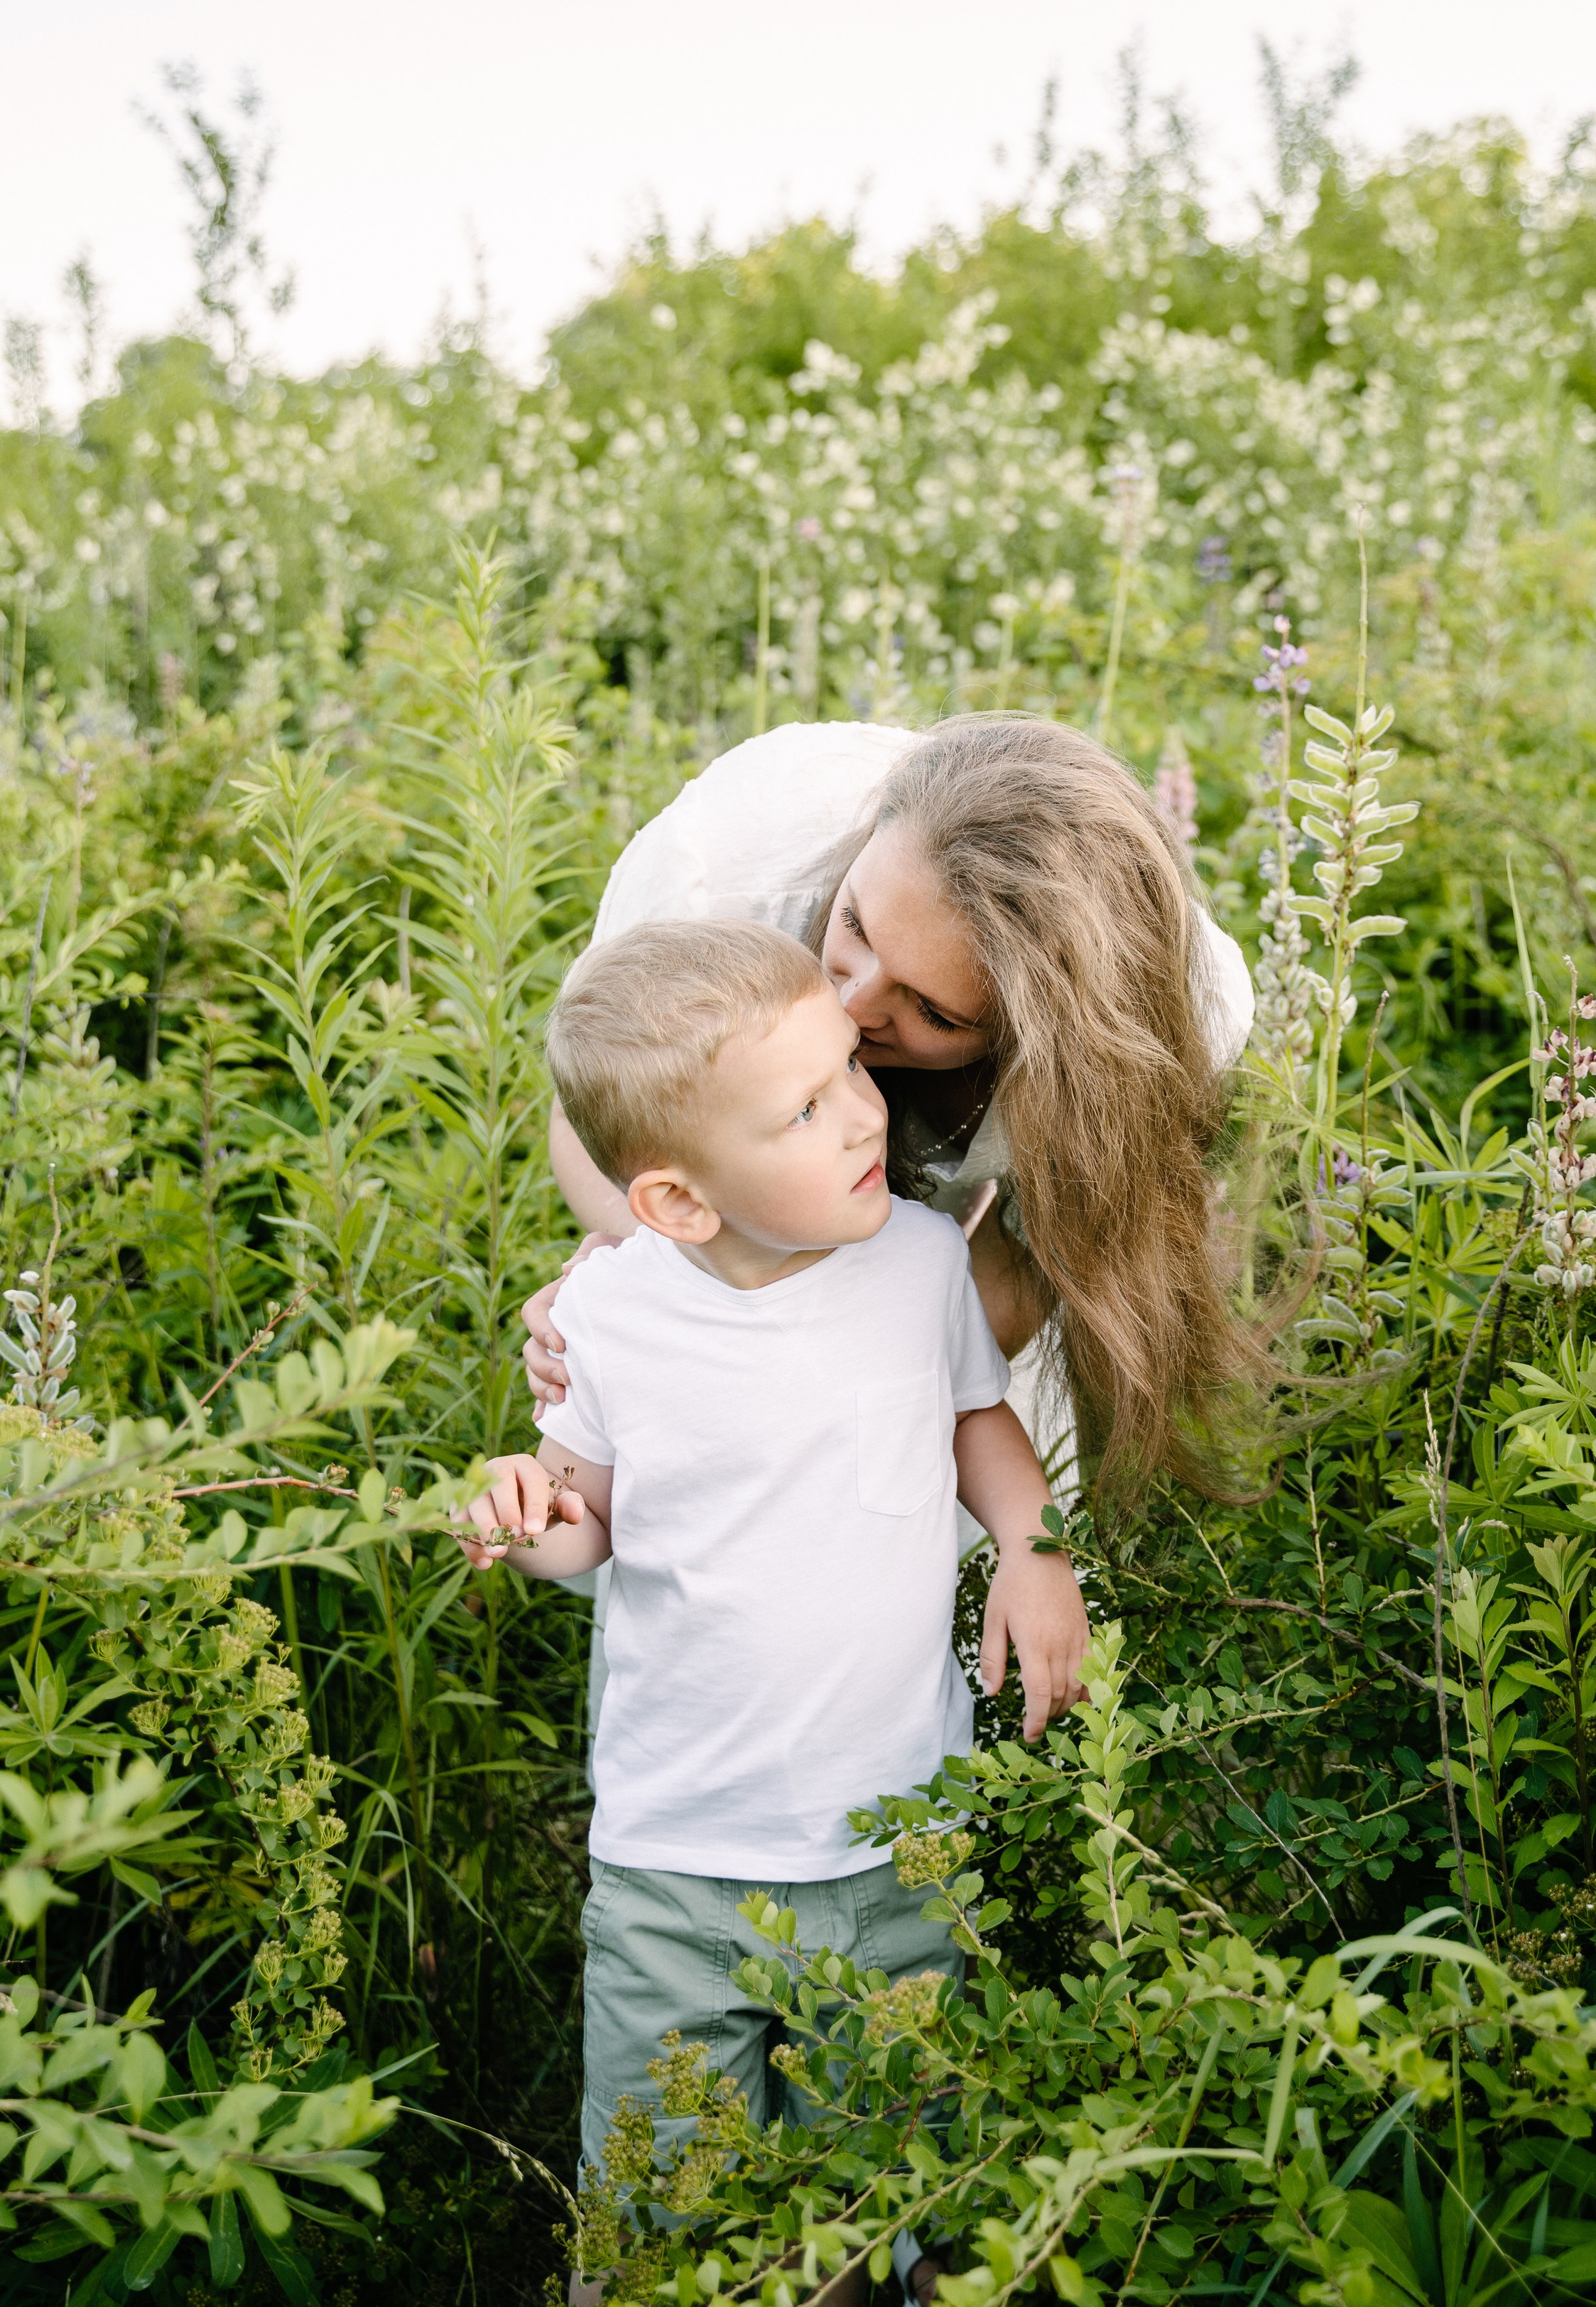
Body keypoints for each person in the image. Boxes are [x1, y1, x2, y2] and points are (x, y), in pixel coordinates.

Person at [464, 918, 1088, 2306]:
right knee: (656, 2219)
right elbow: (588, 1522)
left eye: (847, 1074)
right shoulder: (610, 1316)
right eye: (805, 1110)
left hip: (895, 1848)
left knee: (894, 2189)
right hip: (678, 1864)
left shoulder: (919, 1261)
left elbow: (975, 1422)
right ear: (679, 1203)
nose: (866, 1113)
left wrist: (1033, 1553)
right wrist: (530, 1521)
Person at [523, 714, 1261, 1502]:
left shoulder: (1162, 1025)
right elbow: (588, 1117)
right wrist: (666, 1280)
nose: (848, 1003)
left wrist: (864, 1407)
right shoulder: (717, 881)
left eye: (935, 1012)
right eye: (853, 925)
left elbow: (1021, 1266)